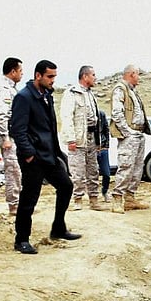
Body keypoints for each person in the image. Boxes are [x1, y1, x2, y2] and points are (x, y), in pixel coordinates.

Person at [10, 60, 81, 254]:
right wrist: (29, 155)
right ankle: (21, 239)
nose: (53, 80)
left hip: (49, 155)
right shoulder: (24, 97)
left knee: (66, 186)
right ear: (38, 75)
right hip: (33, 158)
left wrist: (58, 152)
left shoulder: (47, 95)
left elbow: (49, 127)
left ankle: (58, 228)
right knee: (29, 198)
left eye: (54, 76)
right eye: (50, 76)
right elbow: (17, 130)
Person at [109, 64, 151, 213]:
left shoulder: (133, 91)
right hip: (130, 136)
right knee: (126, 166)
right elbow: (117, 113)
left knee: (137, 168)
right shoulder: (121, 90)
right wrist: (128, 132)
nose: (139, 77)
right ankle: (118, 198)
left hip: (138, 134)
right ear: (132, 74)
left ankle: (130, 197)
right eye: (138, 74)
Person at [60, 65, 102, 211]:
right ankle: (77, 200)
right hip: (78, 138)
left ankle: (94, 200)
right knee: (77, 171)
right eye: (93, 75)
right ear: (85, 76)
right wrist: (71, 139)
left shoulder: (91, 94)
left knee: (93, 170)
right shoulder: (72, 94)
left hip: (91, 136)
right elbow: (67, 117)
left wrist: (98, 140)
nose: (95, 78)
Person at [0, 57, 23, 217]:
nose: (22, 74)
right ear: (13, 71)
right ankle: (14, 205)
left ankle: (18, 203)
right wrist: (5, 138)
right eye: (20, 71)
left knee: (17, 170)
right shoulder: (4, 89)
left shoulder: (12, 89)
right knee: (13, 170)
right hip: (9, 138)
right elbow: (2, 116)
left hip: (16, 136)